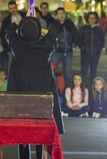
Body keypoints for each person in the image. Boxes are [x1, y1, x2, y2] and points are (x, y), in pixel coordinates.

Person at [6, 10, 64, 159]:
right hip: (40, 95)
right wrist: (35, 23)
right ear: (39, 33)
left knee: (23, 130)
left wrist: (24, 20)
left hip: (21, 95)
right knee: (40, 129)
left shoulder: (16, 46)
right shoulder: (45, 48)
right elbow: (52, 36)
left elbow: (10, 30)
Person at [50, 7, 79, 87]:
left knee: (68, 73)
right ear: (57, 15)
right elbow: (50, 37)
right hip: (56, 52)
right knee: (52, 70)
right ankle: (54, 89)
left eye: (62, 13)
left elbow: (75, 34)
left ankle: (68, 90)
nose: (61, 15)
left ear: (65, 14)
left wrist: (74, 44)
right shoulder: (53, 25)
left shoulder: (70, 24)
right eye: (59, 13)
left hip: (68, 52)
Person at [79, 12, 104, 84]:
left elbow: (102, 40)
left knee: (93, 72)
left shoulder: (98, 29)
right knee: (84, 71)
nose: (92, 20)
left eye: (93, 18)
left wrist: (99, 48)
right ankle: (81, 89)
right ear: (87, 19)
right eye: (90, 18)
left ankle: (93, 89)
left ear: (96, 19)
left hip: (95, 53)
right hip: (85, 53)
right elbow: (79, 39)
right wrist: (82, 48)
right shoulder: (83, 28)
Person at [0, 1, 25, 72]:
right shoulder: (6, 20)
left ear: (17, 7)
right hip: (12, 47)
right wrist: (8, 46)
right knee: (11, 66)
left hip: (25, 46)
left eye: (14, 8)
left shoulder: (24, 16)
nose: (13, 10)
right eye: (11, 8)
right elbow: (3, 34)